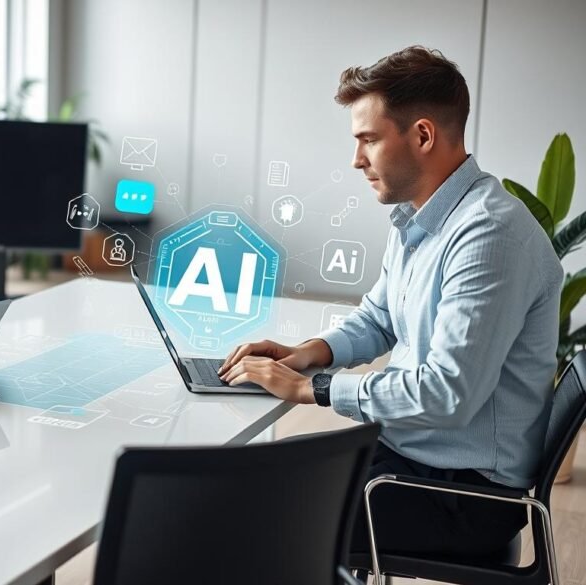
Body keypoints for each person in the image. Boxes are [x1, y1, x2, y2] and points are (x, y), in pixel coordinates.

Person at [218, 46, 562, 556]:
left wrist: (313, 388)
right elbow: (380, 317)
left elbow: (446, 394)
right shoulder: (419, 218)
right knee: (241, 478)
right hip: (412, 457)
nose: (356, 159)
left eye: (369, 140)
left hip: (463, 494)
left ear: (422, 135)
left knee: (247, 511)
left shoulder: (489, 233)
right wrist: (308, 353)